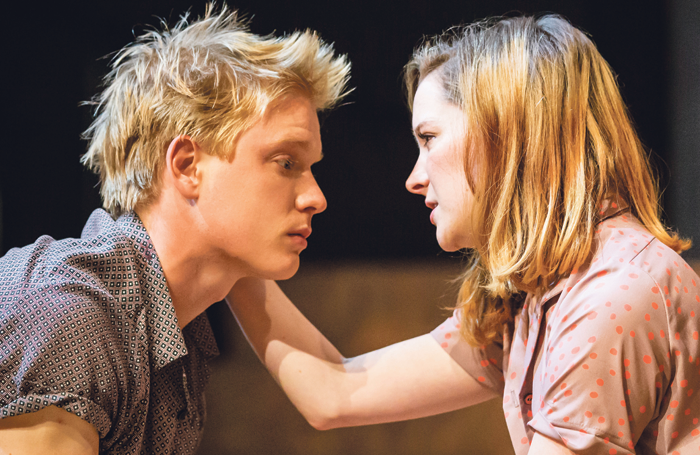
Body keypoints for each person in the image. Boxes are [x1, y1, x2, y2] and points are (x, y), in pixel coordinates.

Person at [227, 14, 700, 455]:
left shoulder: (610, 295)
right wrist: (232, 245)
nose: (414, 178)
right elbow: (335, 393)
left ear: (510, 133)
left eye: (429, 139)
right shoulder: (541, 291)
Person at [0, 5, 349, 454]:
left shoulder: (169, 335)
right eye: (286, 163)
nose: (315, 198)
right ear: (186, 166)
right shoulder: (70, 320)